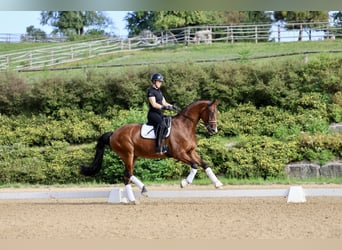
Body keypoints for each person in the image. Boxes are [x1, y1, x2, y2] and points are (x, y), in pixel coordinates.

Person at [147, 73, 174, 154]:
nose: (160, 83)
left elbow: (164, 102)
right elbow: (154, 104)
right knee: (162, 125)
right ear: (154, 81)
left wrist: (172, 106)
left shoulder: (159, 91)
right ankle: (158, 147)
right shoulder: (151, 91)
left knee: (169, 121)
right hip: (153, 114)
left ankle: (166, 144)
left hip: (159, 114)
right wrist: (163, 107)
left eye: (161, 82)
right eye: (159, 81)